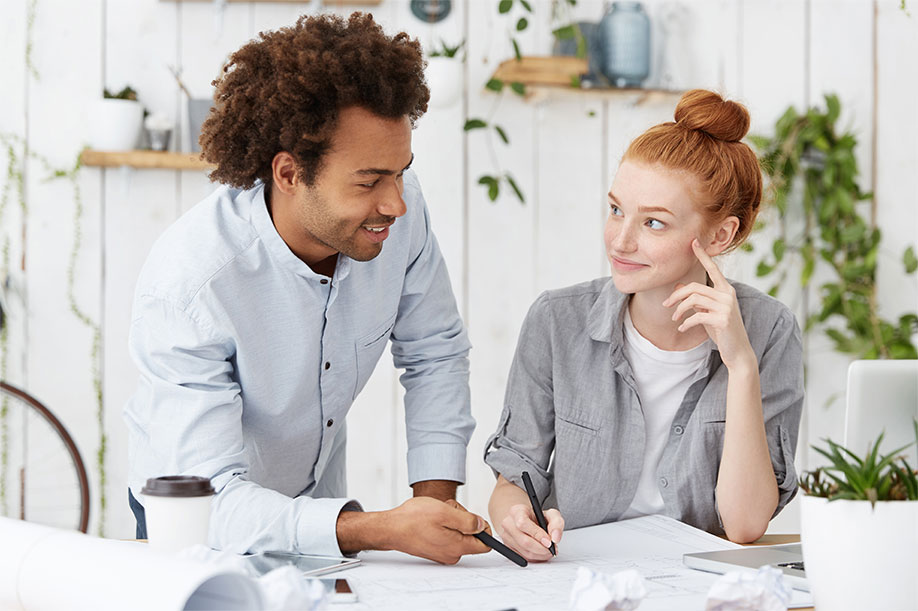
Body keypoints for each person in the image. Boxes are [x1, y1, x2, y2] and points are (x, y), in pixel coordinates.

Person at [124, 13, 491, 564]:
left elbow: (434, 353)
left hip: (317, 509)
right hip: (198, 522)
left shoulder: (398, 213)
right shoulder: (191, 286)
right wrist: (380, 529)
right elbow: (209, 501)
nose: (395, 203)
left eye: (400, 172)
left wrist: (434, 508)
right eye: (369, 181)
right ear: (290, 174)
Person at [484, 89, 804, 562]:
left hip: (695, 586)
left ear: (720, 235)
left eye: (654, 223)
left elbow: (744, 525)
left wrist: (740, 365)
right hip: (576, 578)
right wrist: (513, 517)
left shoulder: (770, 331)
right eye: (616, 210)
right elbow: (514, 477)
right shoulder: (556, 321)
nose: (620, 241)